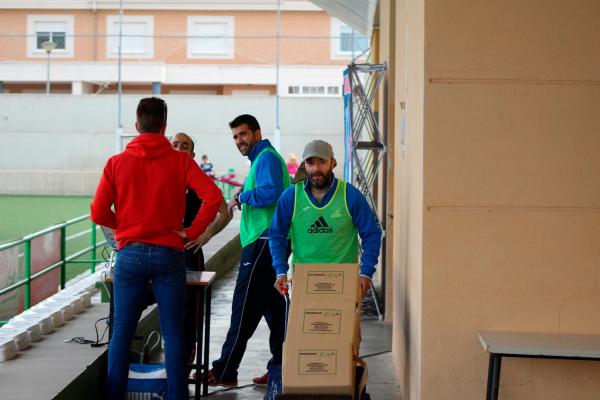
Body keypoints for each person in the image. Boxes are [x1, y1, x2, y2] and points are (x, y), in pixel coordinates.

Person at [90, 97, 222, 400]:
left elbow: (98, 213)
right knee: (173, 330)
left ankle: (114, 395)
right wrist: (191, 232)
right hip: (169, 255)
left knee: (122, 330)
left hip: (130, 256)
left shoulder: (116, 162)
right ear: (164, 126)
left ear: (137, 126)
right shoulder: (181, 161)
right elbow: (213, 198)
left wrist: (123, 227)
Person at [199, 114, 291, 387]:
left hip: (264, 242)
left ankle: (225, 371)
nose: (239, 140)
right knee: (274, 310)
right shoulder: (262, 159)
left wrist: (240, 197)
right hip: (267, 241)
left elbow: (270, 193)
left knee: (244, 308)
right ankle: (281, 366)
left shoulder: (267, 158)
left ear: (257, 133)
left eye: (243, 134)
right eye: (236, 137)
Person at [269, 140, 382, 300]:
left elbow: (371, 234)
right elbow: (277, 235)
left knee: (342, 326)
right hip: (304, 281)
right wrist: (280, 271)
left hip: (343, 282)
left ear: (333, 163)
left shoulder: (350, 195)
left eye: (322, 162)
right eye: (310, 162)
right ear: (304, 165)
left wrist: (366, 272)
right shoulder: (291, 197)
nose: (316, 169)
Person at [171, 132, 231, 373]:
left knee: (189, 313)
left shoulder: (197, 181)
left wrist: (206, 234)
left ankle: (184, 363)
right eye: (174, 144)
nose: (179, 148)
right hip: (160, 254)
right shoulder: (159, 175)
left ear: (192, 155)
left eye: (184, 146)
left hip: (188, 254)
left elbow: (225, 211)